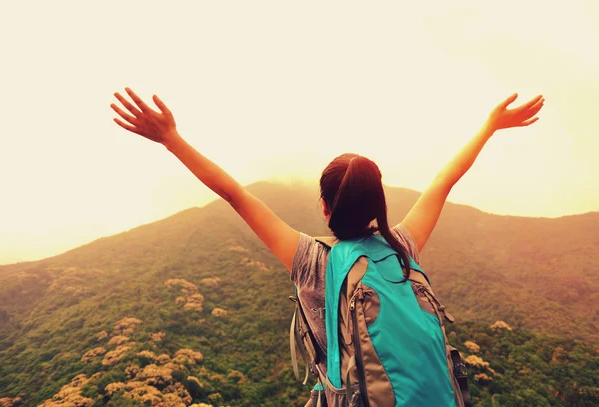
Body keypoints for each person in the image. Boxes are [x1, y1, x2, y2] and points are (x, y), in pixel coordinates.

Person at [110, 88, 544, 405]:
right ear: (380, 203)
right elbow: (445, 180)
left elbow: (235, 195)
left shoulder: (312, 262)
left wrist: (170, 138)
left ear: (323, 206)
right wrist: (490, 126)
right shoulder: (401, 246)